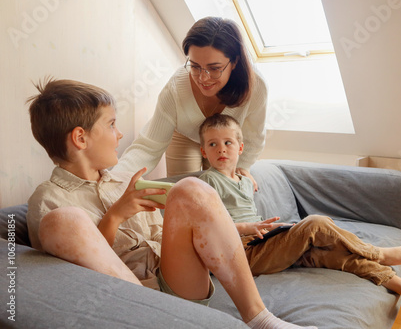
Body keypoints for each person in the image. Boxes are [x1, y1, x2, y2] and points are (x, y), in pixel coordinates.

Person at [25, 78, 316, 329]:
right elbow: (74, 272)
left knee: (190, 187)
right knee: (63, 221)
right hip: (128, 301)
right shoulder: (50, 200)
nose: (120, 134)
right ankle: (150, 315)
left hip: (174, 282)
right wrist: (114, 217)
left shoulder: (127, 182)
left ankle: (260, 318)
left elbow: (167, 236)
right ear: (80, 138)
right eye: (112, 124)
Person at [198, 113, 401, 306]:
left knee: (334, 256)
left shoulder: (243, 179)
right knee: (316, 223)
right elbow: (206, 227)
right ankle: (378, 253)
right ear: (203, 151)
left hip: (266, 244)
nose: (221, 149)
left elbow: (239, 182)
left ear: (240, 148)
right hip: (243, 252)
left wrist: (243, 174)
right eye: (212, 144)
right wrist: (246, 227)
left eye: (228, 142)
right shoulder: (207, 182)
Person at [114, 16, 267, 191]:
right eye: (194, 66)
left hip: (224, 138)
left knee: (224, 188)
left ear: (235, 62)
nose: (203, 78)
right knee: (186, 192)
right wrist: (113, 180)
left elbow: (254, 137)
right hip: (184, 134)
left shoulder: (256, 87)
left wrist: (242, 167)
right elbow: (148, 147)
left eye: (214, 68)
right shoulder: (175, 89)